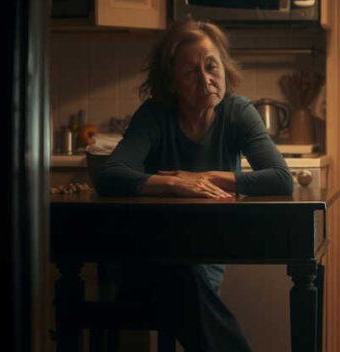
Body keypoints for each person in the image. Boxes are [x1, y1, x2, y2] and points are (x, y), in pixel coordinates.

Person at [94, 19, 294, 352]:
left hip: (204, 258)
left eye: (212, 66)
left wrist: (207, 178)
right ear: (171, 82)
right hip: (147, 256)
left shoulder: (237, 112)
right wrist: (174, 184)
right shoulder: (155, 114)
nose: (205, 80)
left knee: (187, 277)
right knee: (179, 274)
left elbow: (280, 178)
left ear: (224, 68)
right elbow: (111, 175)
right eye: (190, 72)